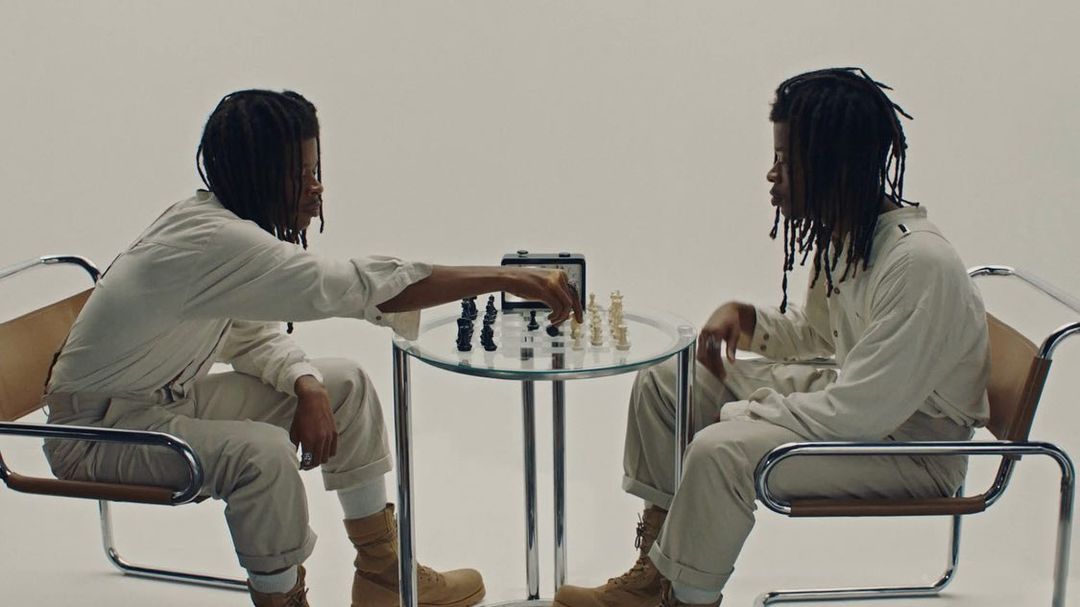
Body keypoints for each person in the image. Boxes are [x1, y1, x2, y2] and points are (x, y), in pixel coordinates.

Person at [42, 89, 582, 607]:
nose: (316, 188)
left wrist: (306, 385)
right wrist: (504, 278)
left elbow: (246, 334)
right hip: (96, 434)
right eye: (298, 175)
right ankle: (281, 598)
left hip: (161, 403)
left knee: (341, 383)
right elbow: (352, 286)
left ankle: (382, 573)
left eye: (315, 169)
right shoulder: (214, 240)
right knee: (262, 455)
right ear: (254, 173)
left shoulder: (217, 229)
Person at [552, 67, 991, 607]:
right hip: (868, 408)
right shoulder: (852, 235)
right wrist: (749, 321)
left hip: (912, 449)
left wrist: (744, 413)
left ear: (834, 164)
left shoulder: (917, 262)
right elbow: (817, 333)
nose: (771, 174)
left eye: (786, 160)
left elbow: (859, 414)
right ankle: (656, 572)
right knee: (668, 382)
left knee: (721, 451)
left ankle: (683, 598)